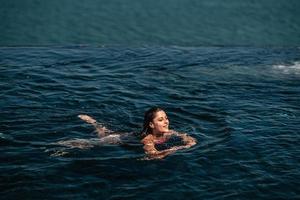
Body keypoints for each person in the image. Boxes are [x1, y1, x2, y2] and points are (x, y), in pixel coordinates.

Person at [58, 107, 197, 159]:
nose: (166, 121)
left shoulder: (168, 132)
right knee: (96, 141)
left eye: (166, 118)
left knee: (104, 131)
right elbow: (154, 155)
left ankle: (95, 123)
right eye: (161, 120)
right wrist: (181, 148)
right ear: (151, 124)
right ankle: (64, 145)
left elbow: (186, 137)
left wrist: (187, 139)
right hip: (121, 139)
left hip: (131, 134)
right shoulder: (147, 140)